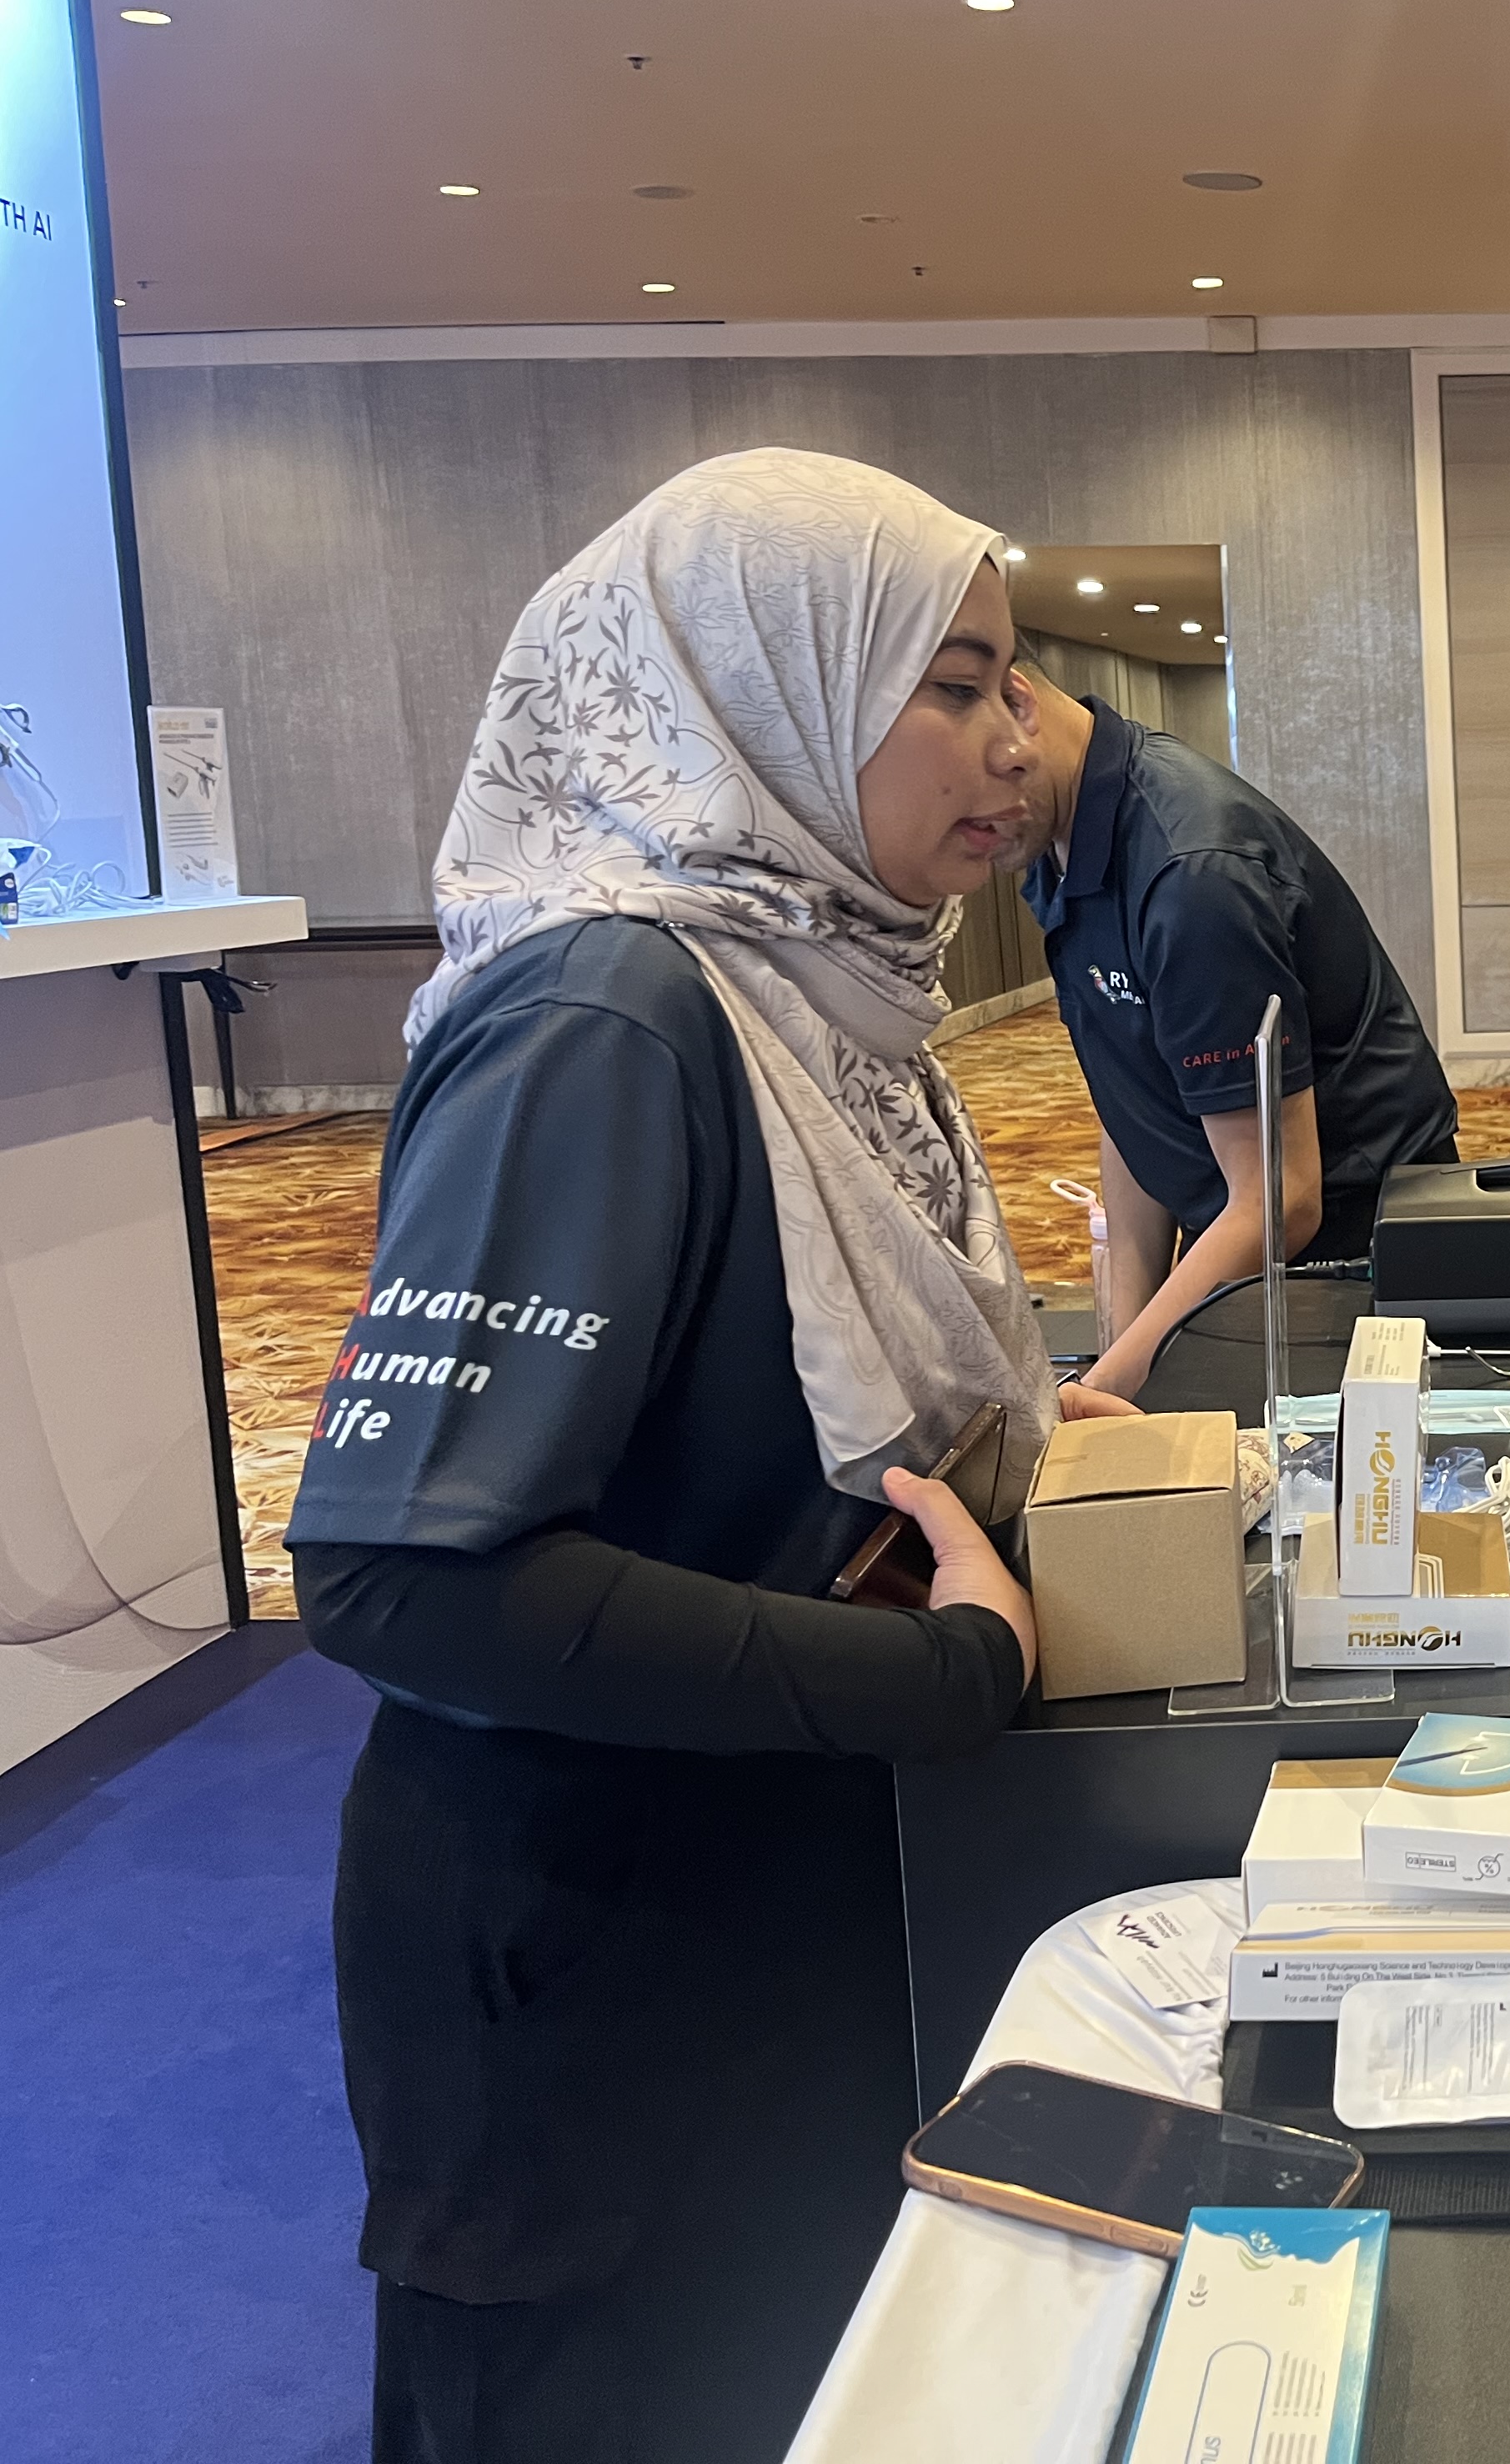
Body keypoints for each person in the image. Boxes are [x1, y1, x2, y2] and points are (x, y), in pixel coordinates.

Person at [288, 449, 1127, 2463]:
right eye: (952, 685)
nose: (1016, 740)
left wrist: (1009, 1447)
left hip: (754, 1893)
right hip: (589, 1965)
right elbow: (405, 1576)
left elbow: (751, 1403)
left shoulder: (817, 991)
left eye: (1012, 684)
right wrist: (939, 1672)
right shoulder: (607, 1013)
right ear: (757, 691)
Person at [1011, 654, 1460, 1400]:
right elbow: (1135, 1107)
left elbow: (1282, 1199)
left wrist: (1110, 1389)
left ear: (1013, 703)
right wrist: (1123, 1361)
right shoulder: (1050, 837)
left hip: (1349, 1247)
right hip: (1236, 1230)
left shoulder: (1192, 879)